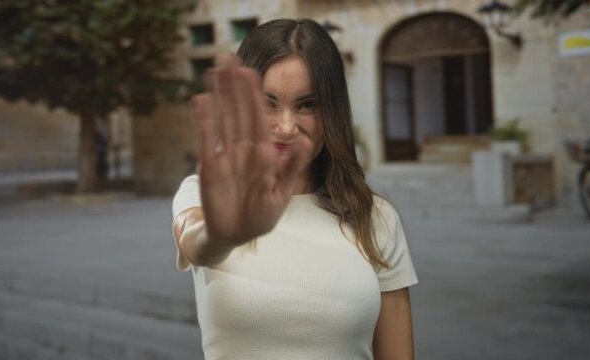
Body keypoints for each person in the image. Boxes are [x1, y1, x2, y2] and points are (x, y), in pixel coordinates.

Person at [172, 18, 418, 360]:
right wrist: (221, 233)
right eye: (267, 103)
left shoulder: (375, 216)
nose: (286, 127)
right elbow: (195, 242)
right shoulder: (205, 195)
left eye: (307, 105)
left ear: (331, 112)